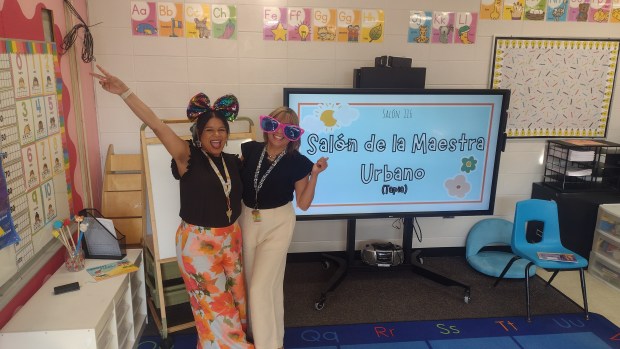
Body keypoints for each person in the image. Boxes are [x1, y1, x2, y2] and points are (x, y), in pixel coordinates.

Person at [91, 65, 254, 349]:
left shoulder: (232, 162)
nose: (216, 135)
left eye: (221, 130)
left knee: (238, 302)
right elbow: (155, 123)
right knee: (216, 309)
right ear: (198, 134)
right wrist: (124, 92)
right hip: (198, 243)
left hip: (231, 238)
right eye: (209, 130)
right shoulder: (185, 155)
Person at [239, 107, 328, 349]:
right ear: (266, 126)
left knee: (259, 287)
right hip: (248, 219)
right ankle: (272, 339)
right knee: (261, 284)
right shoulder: (249, 150)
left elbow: (304, 203)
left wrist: (315, 175)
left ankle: (265, 345)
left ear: (294, 135)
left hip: (278, 223)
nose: (278, 133)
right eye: (273, 125)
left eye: (287, 129)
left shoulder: (298, 163)